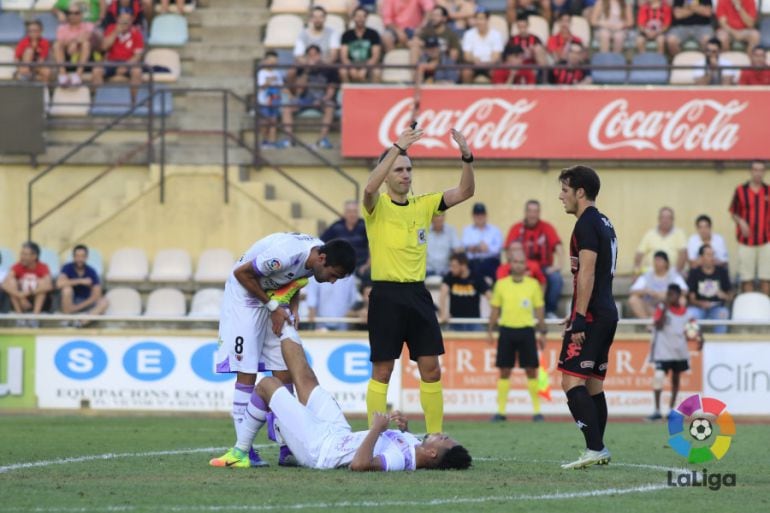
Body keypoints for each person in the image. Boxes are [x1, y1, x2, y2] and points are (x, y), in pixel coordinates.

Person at [363, 126, 475, 435]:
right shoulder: (376, 206)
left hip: (418, 294)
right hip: (386, 295)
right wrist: (397, 147)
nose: (405, 174)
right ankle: (374, 436)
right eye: (399, 168)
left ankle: (435, 435)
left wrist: (466, 156)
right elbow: (369, 189)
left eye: (409, 169)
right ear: (386, 174)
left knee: (431, 368)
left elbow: (465, 192)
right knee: (383, 371)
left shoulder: (424, 204)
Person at [209, 233, 356, 468]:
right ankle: (243, 451)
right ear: (322, 258)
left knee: (284, 372)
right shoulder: (284, 255)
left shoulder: (315, 257)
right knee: (247, 371)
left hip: (273, 300)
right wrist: (273, 306)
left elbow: (297, 279)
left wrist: (293, 307)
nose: (332, 281)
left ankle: (287, 447)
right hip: (245, 296)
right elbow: (242, 273)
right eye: (333, 275)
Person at [253, 322, 471, 471]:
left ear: (432, 453)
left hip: (320, 450)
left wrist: (377, 428)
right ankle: (284, 319)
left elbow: (358, 465)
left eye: (442, 438)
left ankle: (245, 449)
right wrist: (405, 430)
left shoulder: (400, 460)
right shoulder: (414, 445)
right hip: (337, 433)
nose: (440, 433)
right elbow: (397, 442)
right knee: (307, 379)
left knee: (267, 384)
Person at [557, 165, 618, 469]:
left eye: (565, 190)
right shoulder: (604, 222)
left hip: (592, 315)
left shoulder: (585, 224)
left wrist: (579, 317)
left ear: (580, 192)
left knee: (571, 381)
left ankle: (595, 448)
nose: (560, 196)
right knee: (593, 385)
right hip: (607, 312)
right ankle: (598, 448)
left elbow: (588, 272)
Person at [488, 248, 546, 422]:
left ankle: (537, 411)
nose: (518, 265)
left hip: (527, 330)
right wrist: (490, 329)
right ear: (509, 264)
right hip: (506, 330)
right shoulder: (501, 284)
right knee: (504, 370)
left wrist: (542, 331)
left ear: (525, 265)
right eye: (515, 261)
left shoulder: (533, 284)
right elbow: (495, 309)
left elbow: (539, 309)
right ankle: (501, 411)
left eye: (521, 262)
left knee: (531, 370)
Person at [647, 284, 703, 421]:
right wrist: (665, 308)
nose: (670, 297)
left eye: (673, 294)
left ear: (678, 295)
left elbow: (694, 329)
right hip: (662, 350)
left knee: (676, 380)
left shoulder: (686, 313)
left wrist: (700, 337)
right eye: (669, 294)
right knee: (659, 377)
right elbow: (658, 325)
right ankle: (657, 410)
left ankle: (671, 410)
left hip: (679, 351)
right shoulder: (662, 308)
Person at [505, 199, 565, 318]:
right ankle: (515, 310)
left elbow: (558, 247)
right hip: (523, 266)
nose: (533, 214)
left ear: (539, 213)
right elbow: (508, 251)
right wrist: (516, 266)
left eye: (536, 211)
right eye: (530, 211)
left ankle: (548, 311)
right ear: (525, 212)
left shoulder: (547, 227)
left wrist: (558, 266)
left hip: (543, 267)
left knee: (556, 278)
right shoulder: (516, 228)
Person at [279, 45, 339, 150]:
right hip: (304, 99)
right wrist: (307, 71)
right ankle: (289, 140)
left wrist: (321, 100)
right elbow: (299, 89)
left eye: (315, 55)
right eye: (310, 55)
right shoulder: (302, 69)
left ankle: (321, 140)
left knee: (330, 106)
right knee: (287, 107)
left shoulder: (329, 69)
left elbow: (331, 91)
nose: (313, 57)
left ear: (319, 55)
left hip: (322, 100)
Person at [729, 160, 770, 294]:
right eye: (755, 169)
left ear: (764, 172)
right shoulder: (741, 190)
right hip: (746, 241)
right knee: (747, 279)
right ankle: (749, 312)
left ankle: (766, 312)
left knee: (766, 279)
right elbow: (733, 211)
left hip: (766, 241)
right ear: (750, 171)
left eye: (761, 170)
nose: (758, 173)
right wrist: (741, 222)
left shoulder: (768, 190)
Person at [92, 13, 144, 99]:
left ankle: (134, 103)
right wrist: (116, 32)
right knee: (96, 70)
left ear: (131, 21)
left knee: (137, 72)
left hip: (128, 62)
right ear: (118, 20)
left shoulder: (136, 32)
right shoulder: (111, 28)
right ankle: (99, 101)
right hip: (111, 62)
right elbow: (104, 47)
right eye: (122, 20)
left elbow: (138, 55)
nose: (125, 22)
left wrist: (126, 66)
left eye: (127, 20)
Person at [2, 242, 53, 326]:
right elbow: (4, 284)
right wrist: (20, 296)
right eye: (21, 254)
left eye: (25, 254)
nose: (22, 257)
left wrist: (28, 293)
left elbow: (49, 285)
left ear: (34, 256)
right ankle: (20, 318)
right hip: (20, 301)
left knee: (43, 283)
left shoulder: (42, 267)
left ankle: (34, 318)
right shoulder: (17, 266)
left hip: (37, 299)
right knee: (11, 282)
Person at [628, 251, 688, 319]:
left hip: (668, 306)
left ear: (666, 263)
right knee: (633, 299)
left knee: (682, 300)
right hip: (650, 306)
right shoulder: (647, 275)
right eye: (655, 261)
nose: (657, 263)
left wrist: (669, 294)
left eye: (659, 261)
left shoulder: (673, 275)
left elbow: (685, 291)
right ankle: (648, 325)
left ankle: (673, 323)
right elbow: (632, 291)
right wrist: (646, 291)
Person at [57, 244, 108, 323]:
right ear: (73, 257)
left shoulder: (91, 271)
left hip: (85, 302)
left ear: (86, 257)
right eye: (77, 256)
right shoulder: (67, 267)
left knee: (104, 302)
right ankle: (67, 319)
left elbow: (97, 294)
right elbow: (59, 284)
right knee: (66, 290)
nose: (80, 259)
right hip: (70, 302)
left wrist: (76, 308)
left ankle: (81, 322)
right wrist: (80, 281)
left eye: (82, 256)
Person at [686, 245, 732, 333]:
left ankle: (720, 342)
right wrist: (700, 303)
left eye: (713, 255)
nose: (712, 258)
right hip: (698, 308)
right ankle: (693, 342)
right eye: (709, 255)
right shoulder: (694, 273)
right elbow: (691, 298)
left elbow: (730, 296)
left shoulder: (722, 272)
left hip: (717, 307)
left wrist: (724, 295)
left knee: (723, 313)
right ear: (701, 257)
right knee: (690, 314)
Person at [439, 253, 490, 331]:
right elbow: (443, 294)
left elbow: (489, 296)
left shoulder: (476, 277)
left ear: (463, 265)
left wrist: (493, 314)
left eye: (454, 266)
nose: (451, 269)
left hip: (474, 322)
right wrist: (443, 313)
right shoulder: (450, 276)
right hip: (455, 322)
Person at [320, 200, 370, 279]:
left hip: (362, 266)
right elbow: (321, 243)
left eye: (355, 211)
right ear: (344, 214)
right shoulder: (336, 226)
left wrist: (367, 265)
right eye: (349, 212)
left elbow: (375, 246)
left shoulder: (364, 225)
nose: (352, 214)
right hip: (341, 267)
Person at [634, 206, 687, 276]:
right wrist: (636, 272)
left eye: (668, 218)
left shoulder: (679, 233)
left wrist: (677, 271)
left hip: (672, 271)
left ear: (672, 220)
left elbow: (683, 254)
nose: (665, 220)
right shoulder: (650, 234)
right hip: (651, 271)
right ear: (659, 219)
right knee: (636, 287)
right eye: (663, 217)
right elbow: (639, 254)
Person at [54, 2, 95, 87]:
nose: (72, 15)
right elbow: (61, 42)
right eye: (70, 13)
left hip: (84, 59)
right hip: (68, 57)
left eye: (76, 13)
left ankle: (78, 75)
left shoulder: (89, 25)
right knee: (57, 45)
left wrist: (75, 43)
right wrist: (75, 42)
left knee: (86, 44)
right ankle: (63, 75)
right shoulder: (62, 27)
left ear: (81, 15)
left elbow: (87, 36)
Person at [461, 202, 503, 284]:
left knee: (496, 272)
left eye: (482, 214)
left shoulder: (495, 230)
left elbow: (497, 249)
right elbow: (465, 247)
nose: (480, 216)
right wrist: (482, 248)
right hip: (473, 262)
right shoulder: (467, 230)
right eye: (477, 214)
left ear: (486, 215)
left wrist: (486, 248)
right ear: (473, 216)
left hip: (490, 262)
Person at [340, 7, 382, 83]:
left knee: (377, 72)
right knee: (343, 71)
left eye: (363, 16)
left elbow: (375, 56)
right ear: (353, 18)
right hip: (352, 63)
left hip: (368, 63)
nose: (360, 19)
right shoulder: (346, 35)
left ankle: (374, 94)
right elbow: (344, 56)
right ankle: (348, 93)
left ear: (366, 18)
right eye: (358, 16)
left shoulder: (373, 34)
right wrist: (351, 68)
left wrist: (365, 68)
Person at [461, 9, 504, 83]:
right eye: (477, 19)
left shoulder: (496, 35)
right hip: (473, 64)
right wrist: (474, 60)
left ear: (487, 20)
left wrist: (486, 63)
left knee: (497, 73)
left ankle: (496, 94)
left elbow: (496, 56)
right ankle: (467, 94)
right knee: (466, 73)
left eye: (481, 19)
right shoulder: (468, 34)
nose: (479, 22)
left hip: (490, 65)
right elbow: (466, 55)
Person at [257, 51, 283, 149]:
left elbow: (281, 86)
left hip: (275, 100)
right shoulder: (261, 72)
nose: (272, 63)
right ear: (265, 61)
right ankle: (265, 140)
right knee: (264, 121)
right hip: (263, 101)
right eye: (270, 61)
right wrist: (268, 82)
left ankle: (272, 141)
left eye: (274, 61)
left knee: (273, 121)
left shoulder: (278, 73)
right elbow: (261, 87)